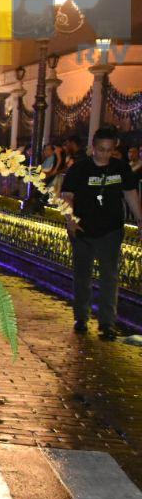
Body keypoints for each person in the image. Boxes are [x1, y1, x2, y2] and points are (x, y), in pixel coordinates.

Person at [60, 126, 142, 340]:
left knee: (109, 276)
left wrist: (140, 219)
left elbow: (130, 193)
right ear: (93, 148)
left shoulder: (121, 168)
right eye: (101, 149)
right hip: (83, 230)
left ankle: (107, 323)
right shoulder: (79, 169)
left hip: (111, 229)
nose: (104, 154)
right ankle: (81, 317)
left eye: (109, 150)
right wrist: (70, 221)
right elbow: (67, 195)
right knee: (83, 275)